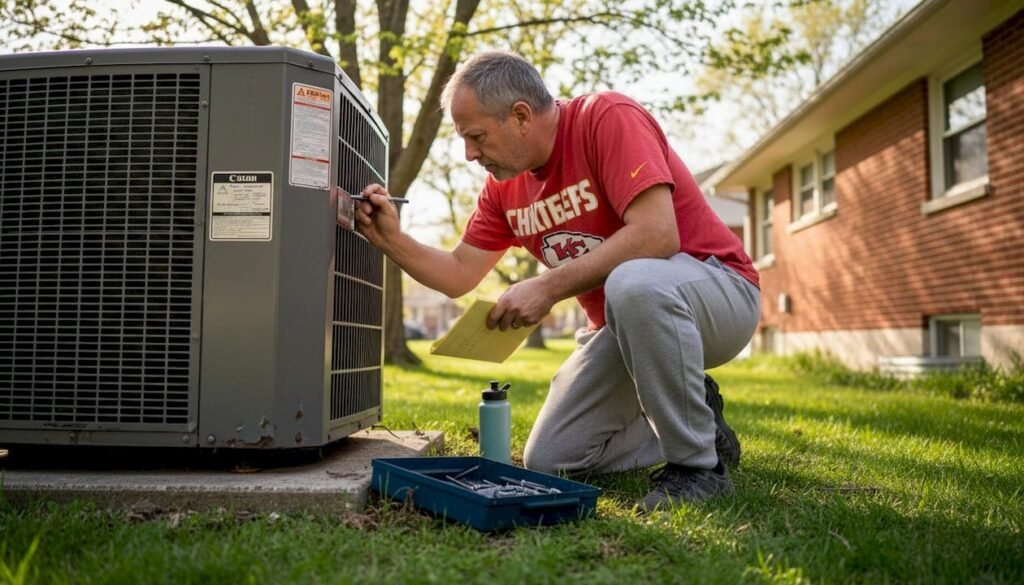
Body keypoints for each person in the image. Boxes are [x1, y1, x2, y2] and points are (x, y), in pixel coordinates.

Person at [352, 51, 760, 510]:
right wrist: (390, 239)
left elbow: (656, 235)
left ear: (521, 116)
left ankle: (698, 469)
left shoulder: (606, 118)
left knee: (634, 282)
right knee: (552, 459)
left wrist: (545, 288)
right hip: (624, 325)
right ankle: (700, 420)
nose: (470, 153)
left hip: (718, 291)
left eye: (477, 136)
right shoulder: (503, 188)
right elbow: (458, 273)